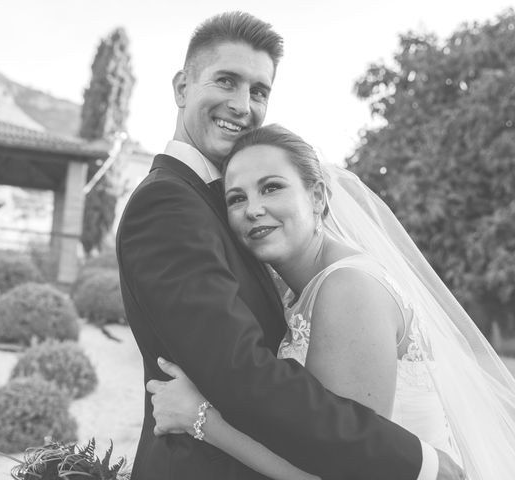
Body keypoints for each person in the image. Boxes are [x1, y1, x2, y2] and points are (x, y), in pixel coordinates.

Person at [116, 11, 463, 480]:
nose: (243, 104)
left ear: (317, 196)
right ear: (182, 88)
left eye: (259, 91)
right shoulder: (167, 203)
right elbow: (240, 373)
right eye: (226, 81)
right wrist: (416, 463)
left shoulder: (218, 206)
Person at [146, 124, 515, 480]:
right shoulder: (296, 291)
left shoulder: (349, 288)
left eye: (271, 188)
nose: (253, 209)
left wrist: (199, 417)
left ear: (317, 197)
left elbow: (338, 468)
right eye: (237, 198)